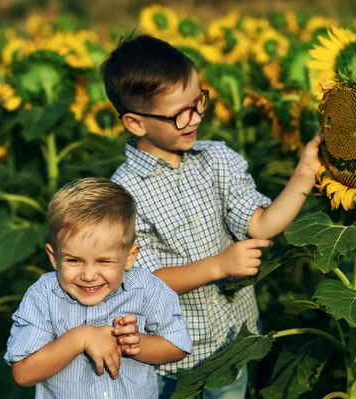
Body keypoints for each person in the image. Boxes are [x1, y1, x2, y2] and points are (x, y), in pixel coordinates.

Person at [102, 34, 322, 398]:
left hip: (230, 345)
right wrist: (219, 266)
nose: (195, 118)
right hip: (168, 362)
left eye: (198, 101)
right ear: (136, 123)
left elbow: (260, 224)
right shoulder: (123, 196)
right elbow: (144, 283)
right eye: (178, 114)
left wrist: (304, 173)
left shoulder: (217, 159)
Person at [4, 177, 193, 399]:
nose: (89, 276)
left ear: (130, 257)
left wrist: (135, 344)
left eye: (104, 261)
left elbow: (178, 346)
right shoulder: (44, 295)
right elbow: (24, 373)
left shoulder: (146, 289)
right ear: (54, 258)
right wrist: (79, 338)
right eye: (74, 261)